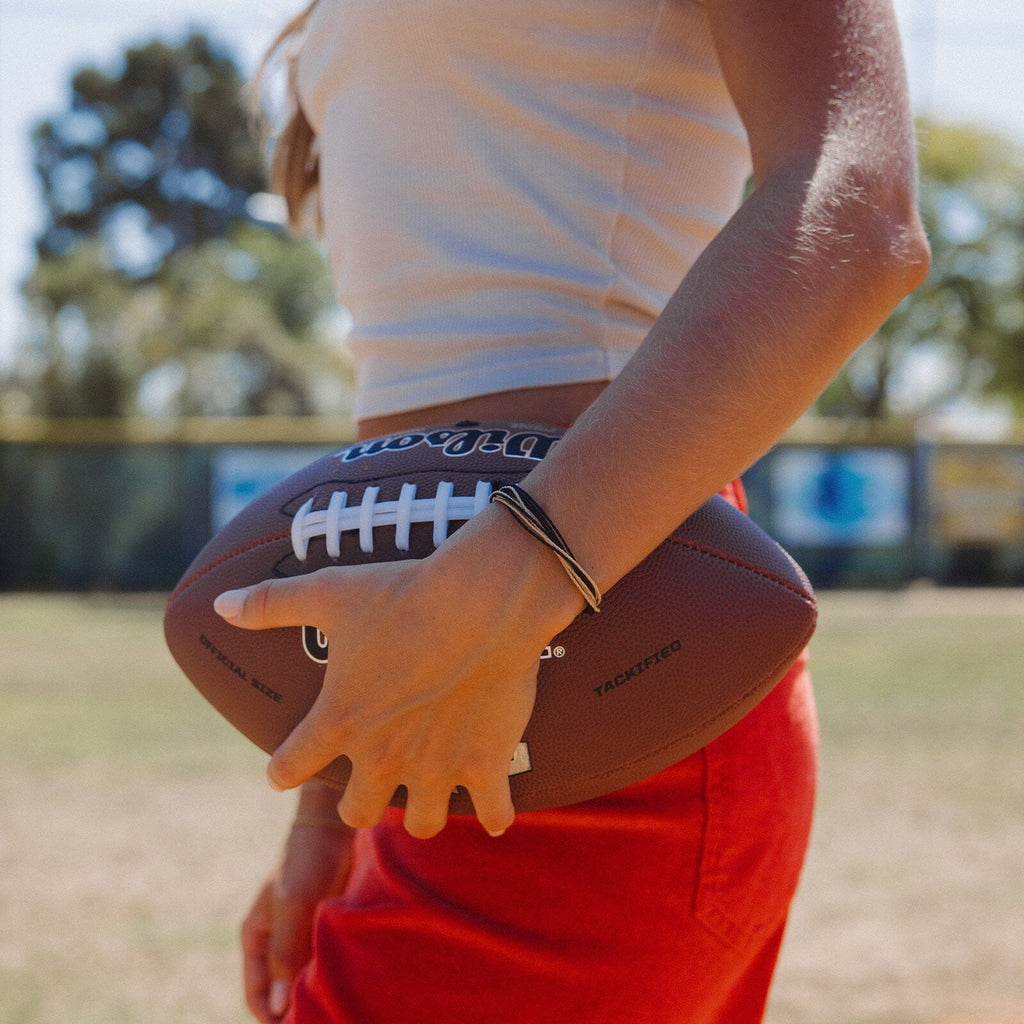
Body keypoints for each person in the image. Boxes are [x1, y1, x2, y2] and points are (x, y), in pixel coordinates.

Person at [222, 1, 930, 1021]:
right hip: (451, 663)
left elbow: (857, 208)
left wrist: (523, 571)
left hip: (599, 651)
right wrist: (337, 798)